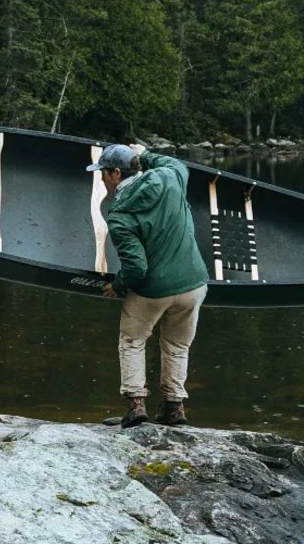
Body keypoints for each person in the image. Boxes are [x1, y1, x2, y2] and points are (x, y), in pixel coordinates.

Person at [86, 144, 209, 428]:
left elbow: (136, 268)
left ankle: (136, 405)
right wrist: (141, 154)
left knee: (132, 341)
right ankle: (174, 408)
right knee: (177, 345)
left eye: (103, 174)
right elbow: (173, 163)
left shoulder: (119, 215)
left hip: (153, 291)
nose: (102, 180)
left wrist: (117, 286)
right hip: (193, 285)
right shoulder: (172, 177)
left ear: (116, 173)